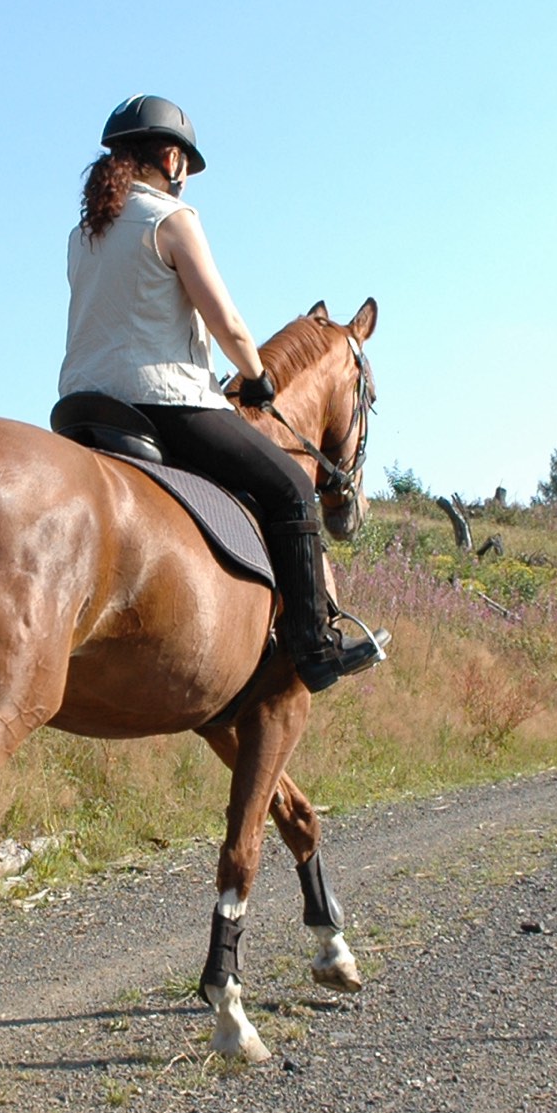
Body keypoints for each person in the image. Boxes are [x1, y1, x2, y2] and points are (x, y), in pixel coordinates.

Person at [58, 94, 383, 693]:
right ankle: (315, 645)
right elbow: (228, 324)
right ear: (172, 158)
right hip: (162, 403)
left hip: (81, 405)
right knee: (290, 490)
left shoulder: (85, 234)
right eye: (184, 159)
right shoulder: (172, 221)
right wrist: (256, 375)